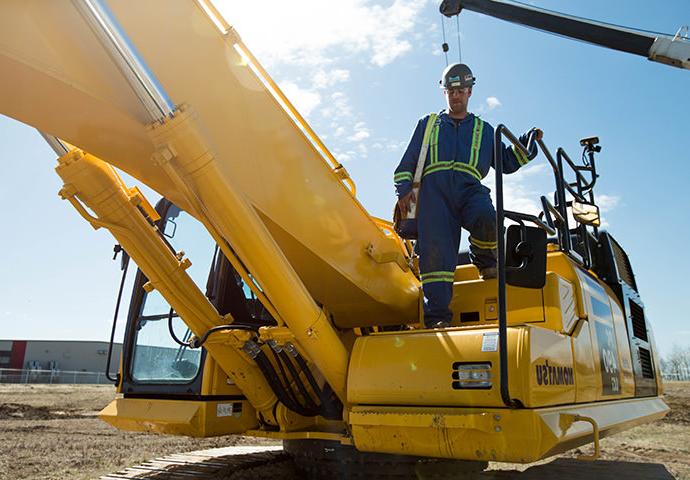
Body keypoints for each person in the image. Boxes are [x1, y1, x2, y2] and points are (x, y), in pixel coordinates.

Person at [394, 63, 542, 329]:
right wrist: (404, 192)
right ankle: (437, 318)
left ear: (470, 91)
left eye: (461, 90)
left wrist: (525, 144)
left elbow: (506, 161)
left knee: (487, 217)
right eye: (450, 91)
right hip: (434, 195)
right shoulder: (427, 125)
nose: (455, 95)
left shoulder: (484, 130)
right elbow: (407, 163)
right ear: (444, 92)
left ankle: (485, 260)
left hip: (469, 188)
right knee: (436, 258)